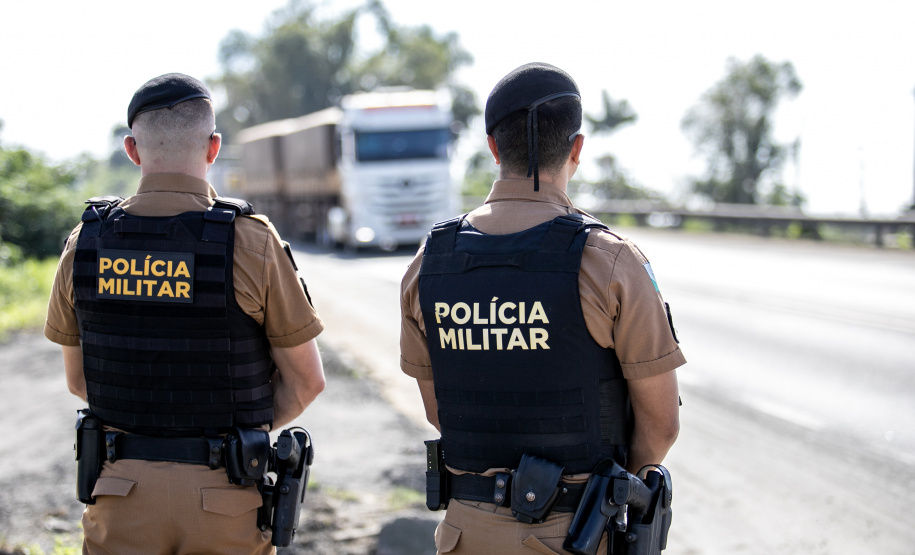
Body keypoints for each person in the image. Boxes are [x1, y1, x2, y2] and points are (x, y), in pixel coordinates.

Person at [399, 62, 684, 554]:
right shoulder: (610, 262)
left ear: (492, 147)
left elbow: (437, 409)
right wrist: (610, 490)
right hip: (577, 534)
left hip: (463, 535)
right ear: (577, 148)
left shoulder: (429, 263)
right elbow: (660, 425)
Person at [44, 73, 326, 554]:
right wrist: (236, 434)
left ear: (132, 150)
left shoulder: (85, 243)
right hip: (225, 499)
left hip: (119, 498)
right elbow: (305, 383)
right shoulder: (251, 241)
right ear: (213, 147)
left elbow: (79, 382)